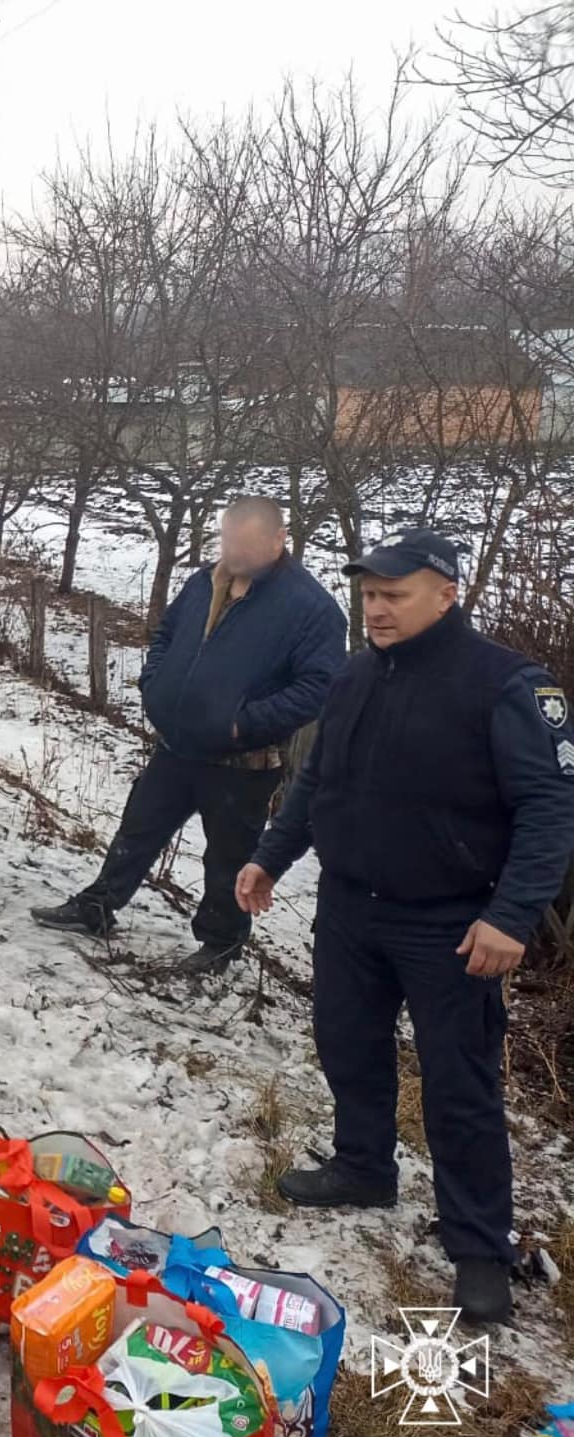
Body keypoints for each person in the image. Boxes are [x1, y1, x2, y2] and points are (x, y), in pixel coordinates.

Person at [235, 529, 574, 1326]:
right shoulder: (356, 676)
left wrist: (510, 915)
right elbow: (318, 780)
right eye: (370, 595)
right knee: (347, 1044)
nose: (377, 609)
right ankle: (363, 1166)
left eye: (395, 595)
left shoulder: (505, 685)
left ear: (446, 594)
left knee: (460, 1086)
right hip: (352, 909)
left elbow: (550, 806)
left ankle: (480, 1246)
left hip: (452, 924)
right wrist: (271, 857)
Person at [33, 496, 347, 972]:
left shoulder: (311, 608)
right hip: (178, 745)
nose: (234, 552)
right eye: (229, 541)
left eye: (247, 543)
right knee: (137, 830)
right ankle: (97, 907)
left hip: (242, 762)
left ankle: (220, 943)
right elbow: (165, 635)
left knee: (227, 858)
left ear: (279, 540)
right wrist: (154, 682)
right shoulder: (205, 581)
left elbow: (318, 688)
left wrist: (245, 723)